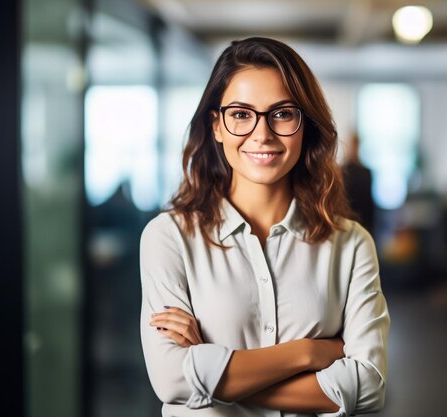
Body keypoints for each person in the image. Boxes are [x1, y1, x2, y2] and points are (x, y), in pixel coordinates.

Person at [140, 37, 390, 417]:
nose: (262, 134)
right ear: (217, 126)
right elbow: (171, 381)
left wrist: (211, 375)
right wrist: (309, 353)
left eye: (283, 113)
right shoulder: (169, 238)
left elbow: (368, 387)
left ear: (305, 124)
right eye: (241, 114)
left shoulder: (352, 244)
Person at [341, 132, 375, 235]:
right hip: (346, 220)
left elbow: (369, 202)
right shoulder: (341, 171)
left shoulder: (366, 172)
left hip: (364, 220)